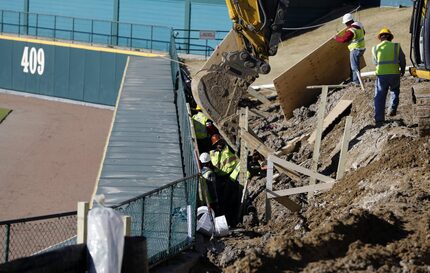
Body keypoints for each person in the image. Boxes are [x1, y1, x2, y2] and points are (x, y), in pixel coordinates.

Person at [372, 28, 406, 125]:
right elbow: (402, 59)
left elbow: (375, 62)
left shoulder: (375, 48)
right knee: (394, 90)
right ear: (390, 37)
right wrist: (402, 69)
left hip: (381, 75)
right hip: (394, 73)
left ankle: (379, 119)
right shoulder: (396, 46)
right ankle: (392, 107)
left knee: (379, 96)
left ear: (380, 38)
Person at [209, 134, 240, 226]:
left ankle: (230, 218)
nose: (219, 144)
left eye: (220, 142)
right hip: (219, 178)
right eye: (217, 143)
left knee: (229, 198)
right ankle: (221, 218)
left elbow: (236, 151)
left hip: (230, 176)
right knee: (220, 199)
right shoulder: (213, 153)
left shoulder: (228, 149)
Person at [335, 13, 366, 86]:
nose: (346, 25)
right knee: (356, 65)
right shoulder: (359, 26)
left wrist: (336, 38)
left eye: (346, 23)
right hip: (361, 48)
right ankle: (355, 79)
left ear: (348, 22)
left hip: (355, 50)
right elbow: (363, 33)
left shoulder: (351, 30)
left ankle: (356, 82)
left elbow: (343, 39)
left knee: (354, 67)